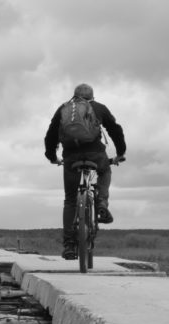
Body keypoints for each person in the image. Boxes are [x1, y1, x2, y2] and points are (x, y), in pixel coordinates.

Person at [44, 83, 126, 260]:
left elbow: (50, 136)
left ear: (74, 96)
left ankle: (69, 246)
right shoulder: (99, 108)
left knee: (71, 199)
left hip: (71, 158)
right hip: (96, 154)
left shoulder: (63, 109)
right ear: (92, 97)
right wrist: (120, 153)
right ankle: (102, 203)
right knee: (105, 171)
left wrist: (52, 157)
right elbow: (115, 130)